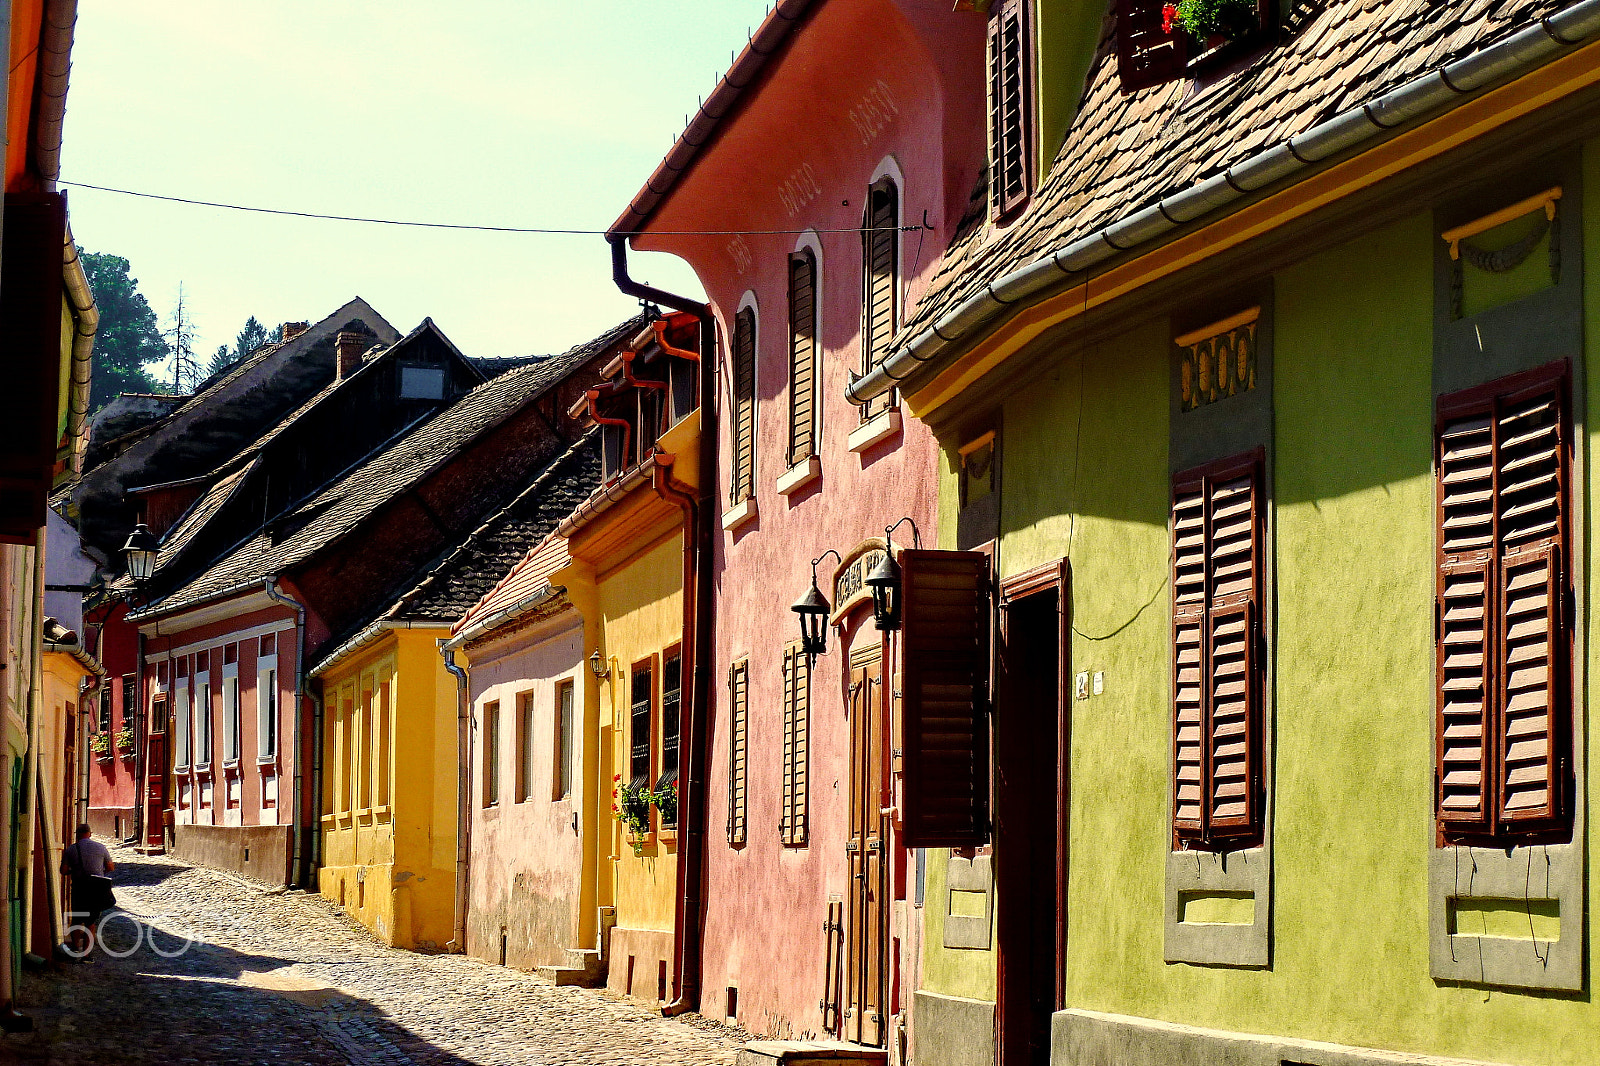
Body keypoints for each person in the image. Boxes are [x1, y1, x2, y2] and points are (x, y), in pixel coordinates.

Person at [61, 823, 115, 961]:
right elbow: (110, 867)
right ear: (90, 834)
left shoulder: (71, 849)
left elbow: (64, 870)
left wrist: (75, 871)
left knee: (77, 920)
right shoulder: (101, 847)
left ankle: (75, 950)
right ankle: (86, 954)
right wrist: (99, 871)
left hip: (79, 887)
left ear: (77, 834)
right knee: (91, 922)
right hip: (96, 889)